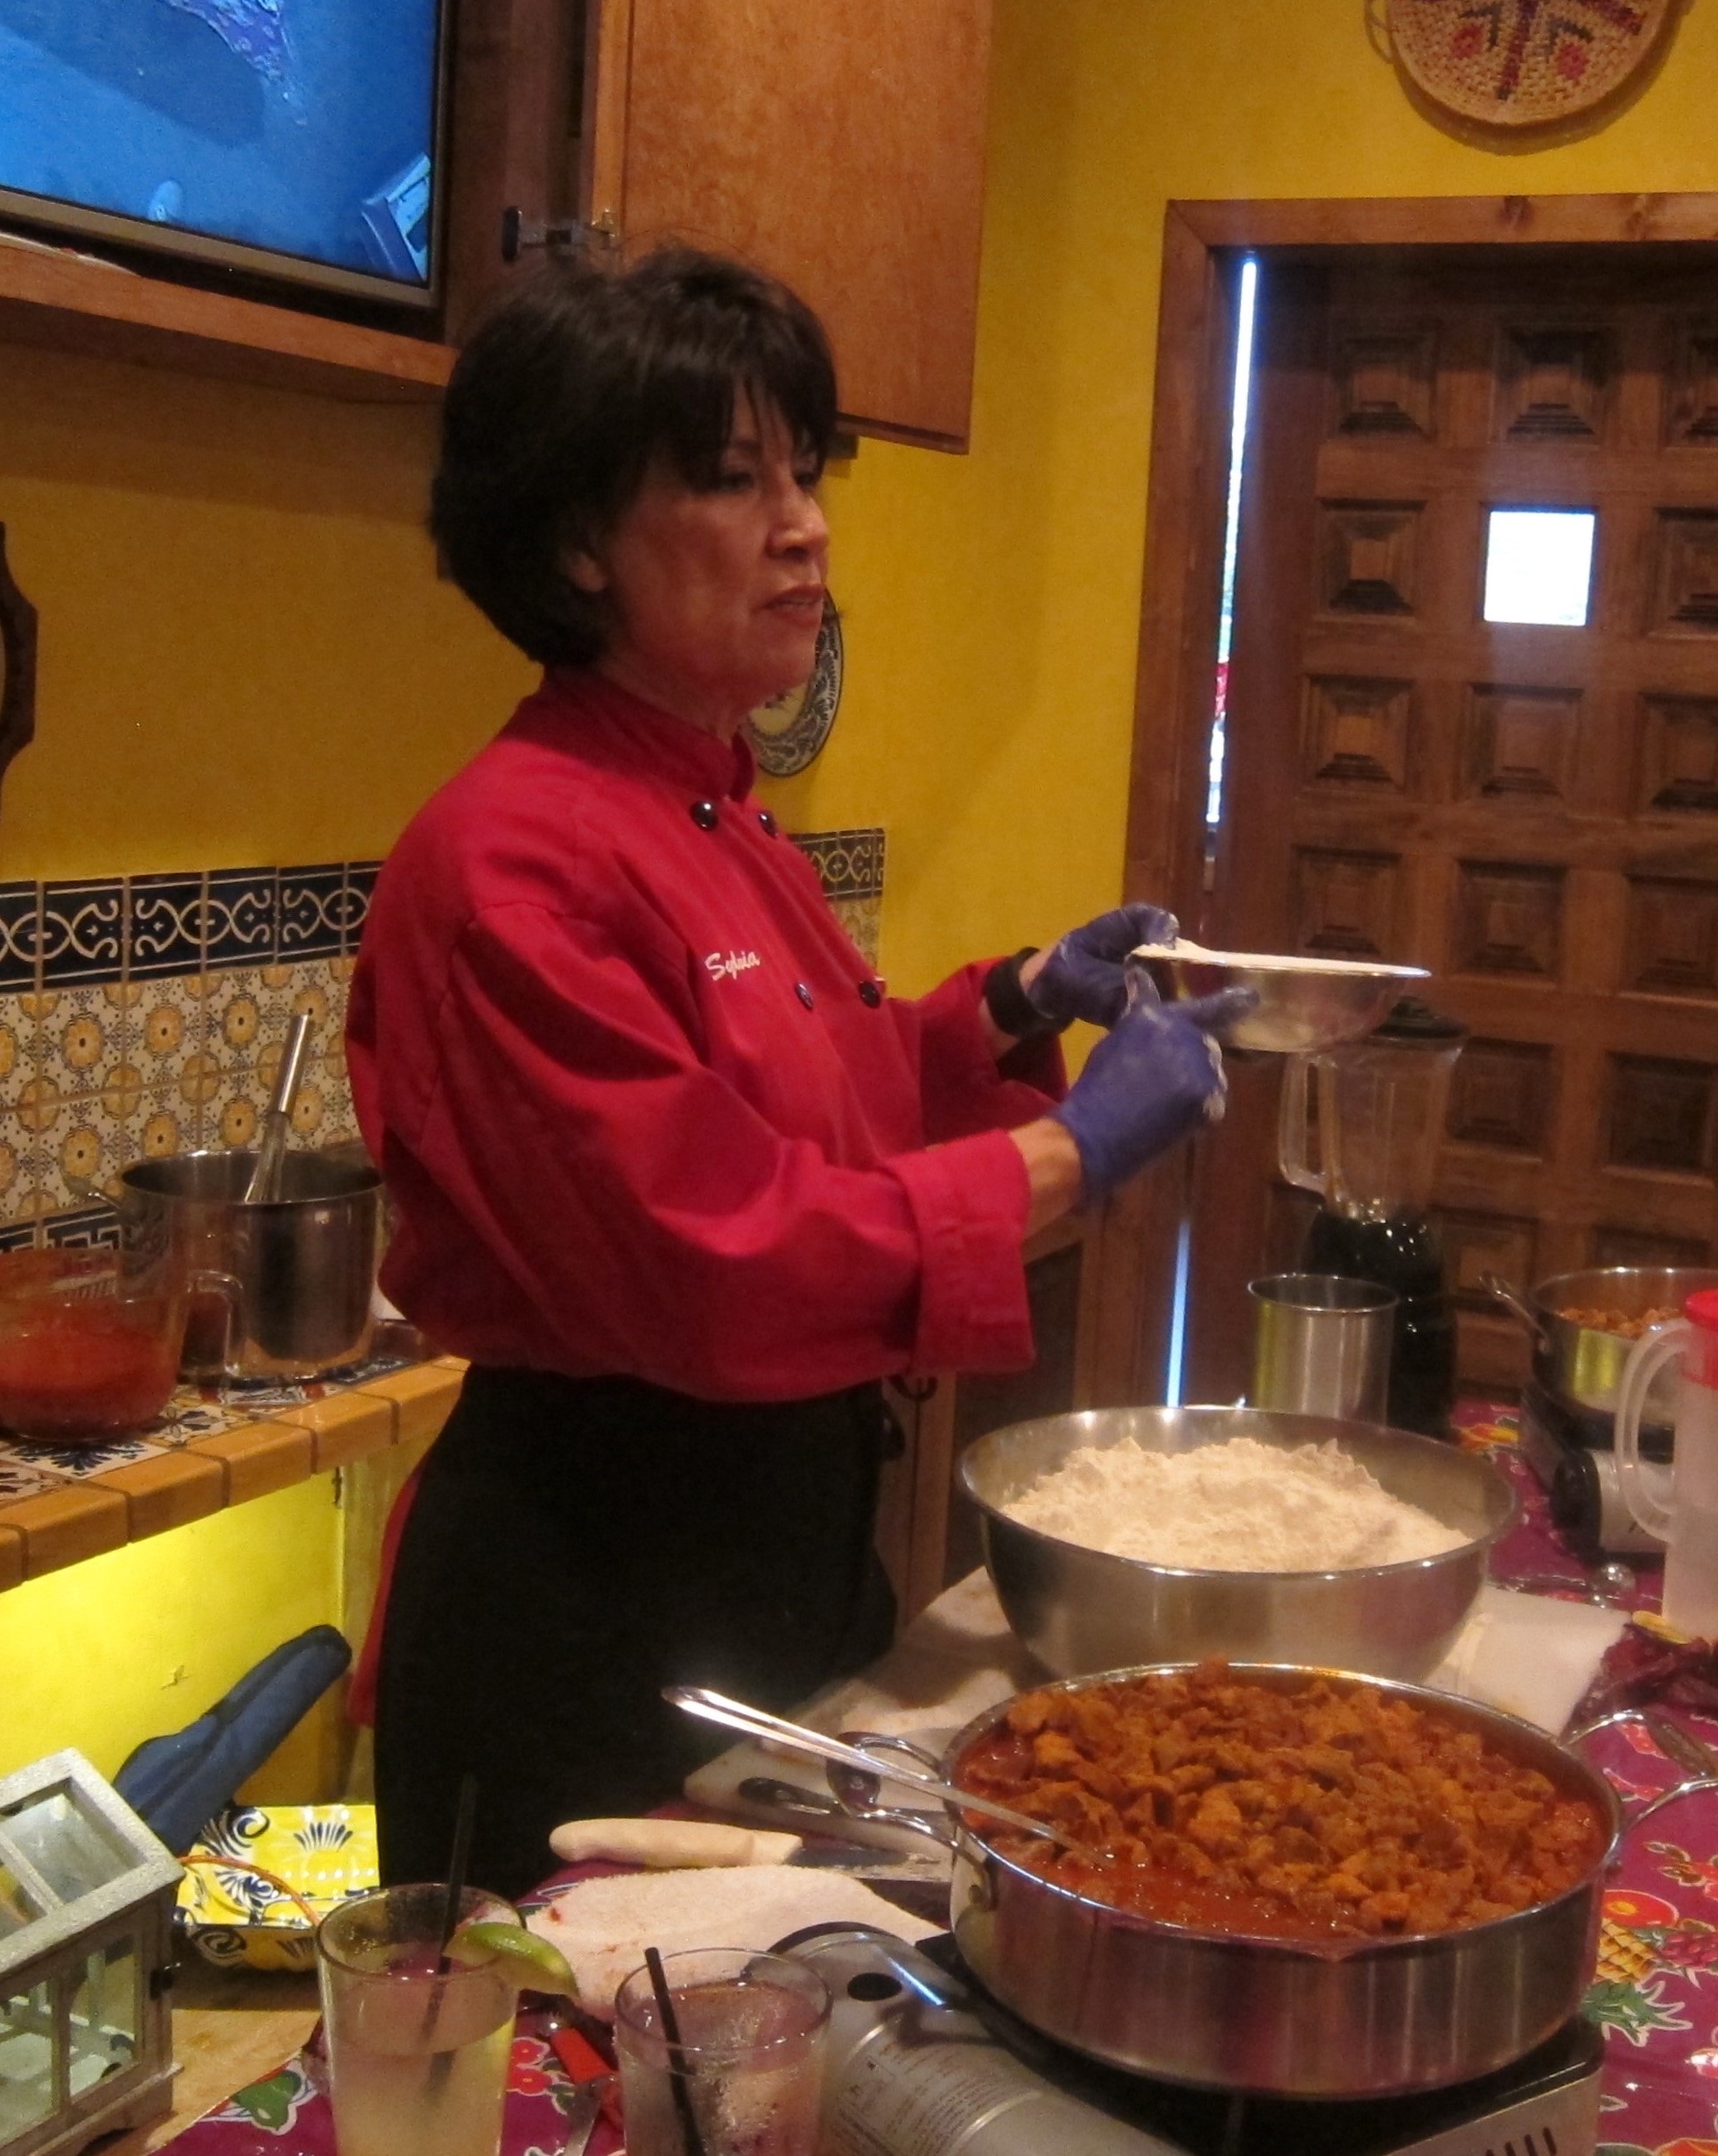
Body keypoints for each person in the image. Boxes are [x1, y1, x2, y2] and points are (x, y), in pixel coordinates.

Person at [347, 247, 1249, 1892]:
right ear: (576, 542)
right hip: (595, 1589)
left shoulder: (713, 799)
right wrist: (1074, 1152)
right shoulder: (511, 861)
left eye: (806, 472)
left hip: (779, 1557)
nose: (803, 526)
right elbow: (720, 1250)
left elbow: (819, 1093)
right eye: (730, 479)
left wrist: (1012, 1006)